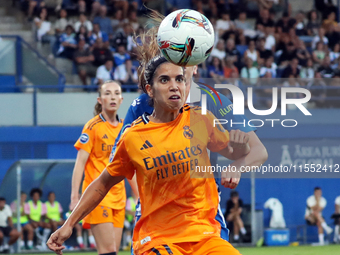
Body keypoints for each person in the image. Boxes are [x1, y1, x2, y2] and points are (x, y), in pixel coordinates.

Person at [48, 53, 249, 255]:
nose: (174, 86)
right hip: (158, 240)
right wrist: (69, 223)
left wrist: (240, 156)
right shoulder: (133, 137)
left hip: (204, 237)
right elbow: (102, 184)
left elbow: (236, 152)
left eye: (179, 79)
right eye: (164, 80)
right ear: (149, 90)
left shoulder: (202, 119)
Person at [109, 13, 267, 252]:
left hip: (202, 214)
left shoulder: (214, 101)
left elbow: (259, 151)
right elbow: (121, 161)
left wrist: (237, 166)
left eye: (186, 64)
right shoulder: (143, 103)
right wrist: (142, 194)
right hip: (157, 217)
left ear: (196, 63)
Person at [69, 80, 137, 255]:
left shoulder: (125, 129)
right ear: (100, 100)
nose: (112, 97)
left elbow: (129, 168)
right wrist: (75, 197)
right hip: (97, 196)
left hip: (119, 198)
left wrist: (138, 196)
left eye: (116, 93)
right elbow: (79, 164)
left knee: (112, 251)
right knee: (109, 251)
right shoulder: (92, 127)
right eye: (107, 93)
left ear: (122, 99)